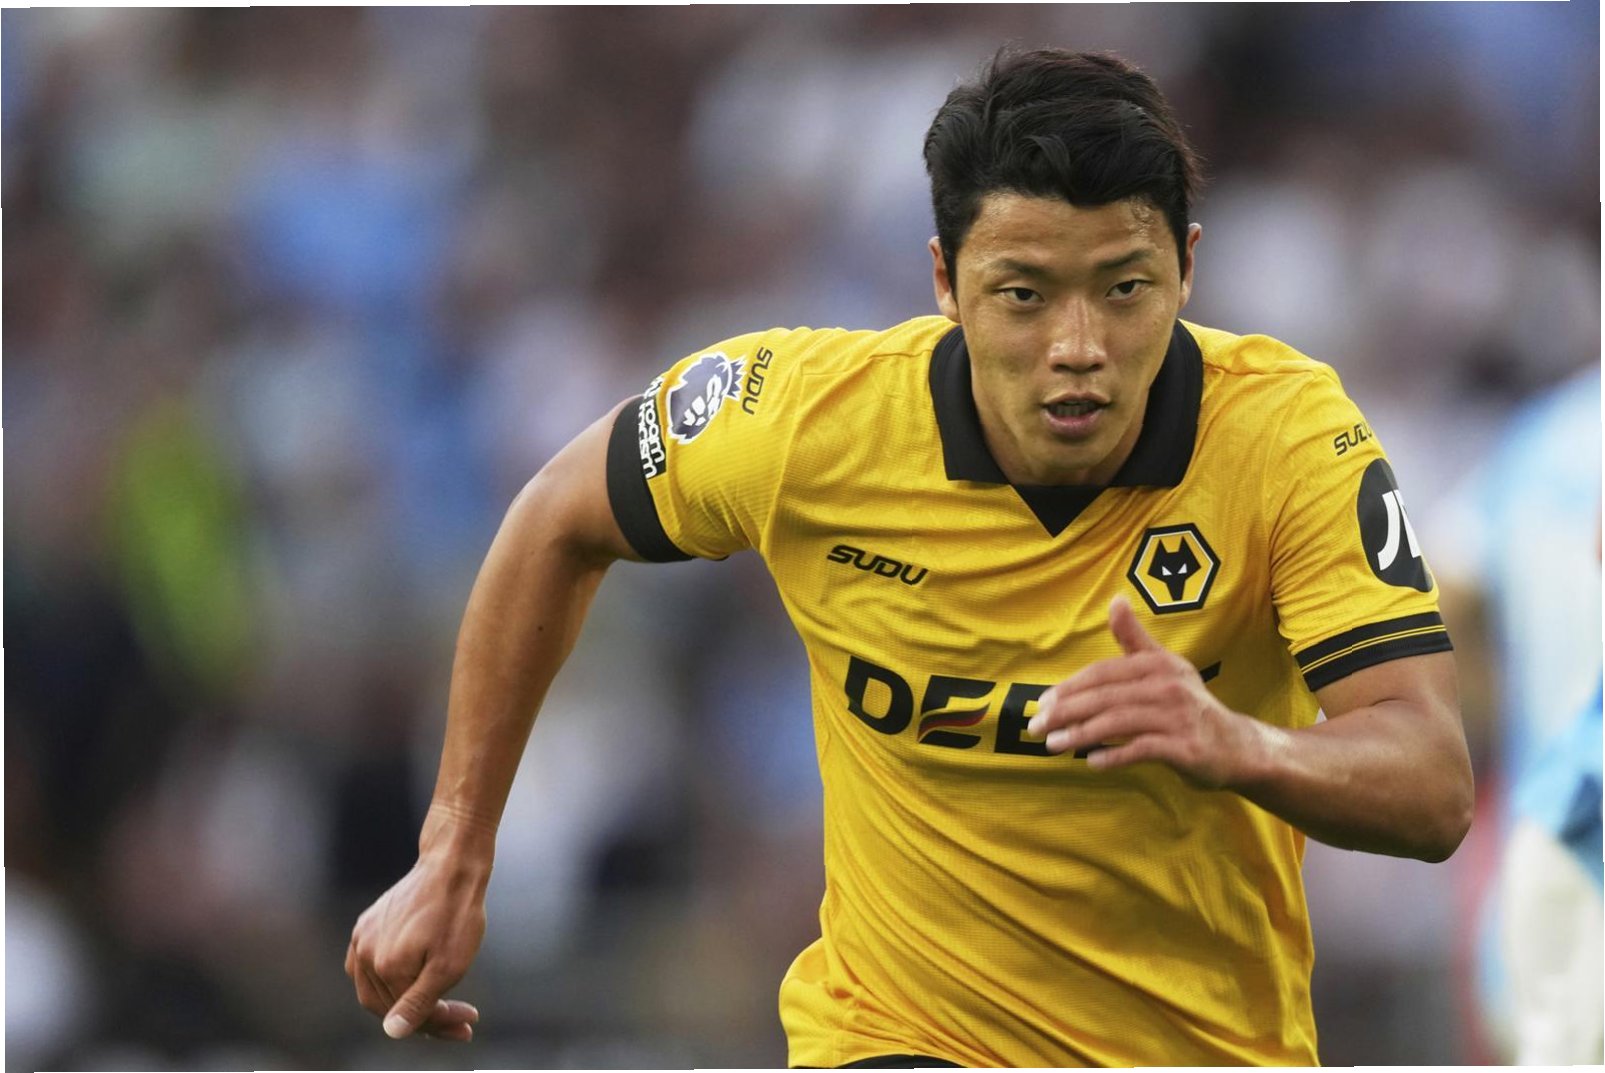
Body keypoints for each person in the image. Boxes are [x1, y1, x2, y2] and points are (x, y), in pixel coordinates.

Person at [346, 48, 1473, 1066]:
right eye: (1022, 295)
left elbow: (1431, 783)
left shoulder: (1285, 438)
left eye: (1124, 288)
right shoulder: (803, 421)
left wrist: (1239, 744)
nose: (1077, 347)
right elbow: (555, 519)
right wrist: (454, 851)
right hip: (895, 1039)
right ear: (945, 281)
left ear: (1185, 266)